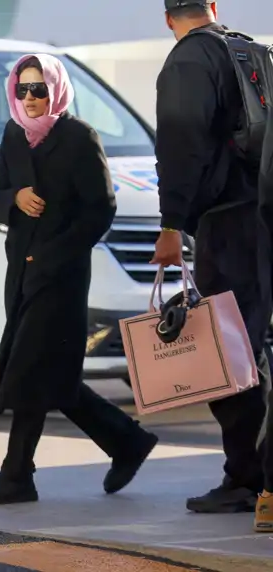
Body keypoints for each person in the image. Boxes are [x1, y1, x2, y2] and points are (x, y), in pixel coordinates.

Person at [0, 53, 159, 505]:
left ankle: (17, 474)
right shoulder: (14, 134)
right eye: (22, 89)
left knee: (30, 367)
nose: (30, 98)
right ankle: (126, 441)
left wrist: (54, 254)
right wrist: (15, 198)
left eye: (39, 89)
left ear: (55, 90)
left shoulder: (78, 137)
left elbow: (101, 210)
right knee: (51, 373)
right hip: (21, 272)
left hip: (61, 275)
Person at [151, 0, 272, 518]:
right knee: (253, 345)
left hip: (225, 225)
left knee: (226, 351)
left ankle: (244, 478)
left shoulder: (187, 61)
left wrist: (171, 225)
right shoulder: (253, 51)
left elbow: (182, 150)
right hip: (262, 214)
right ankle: (260, 474)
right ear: (214, 6)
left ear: (168, 18)